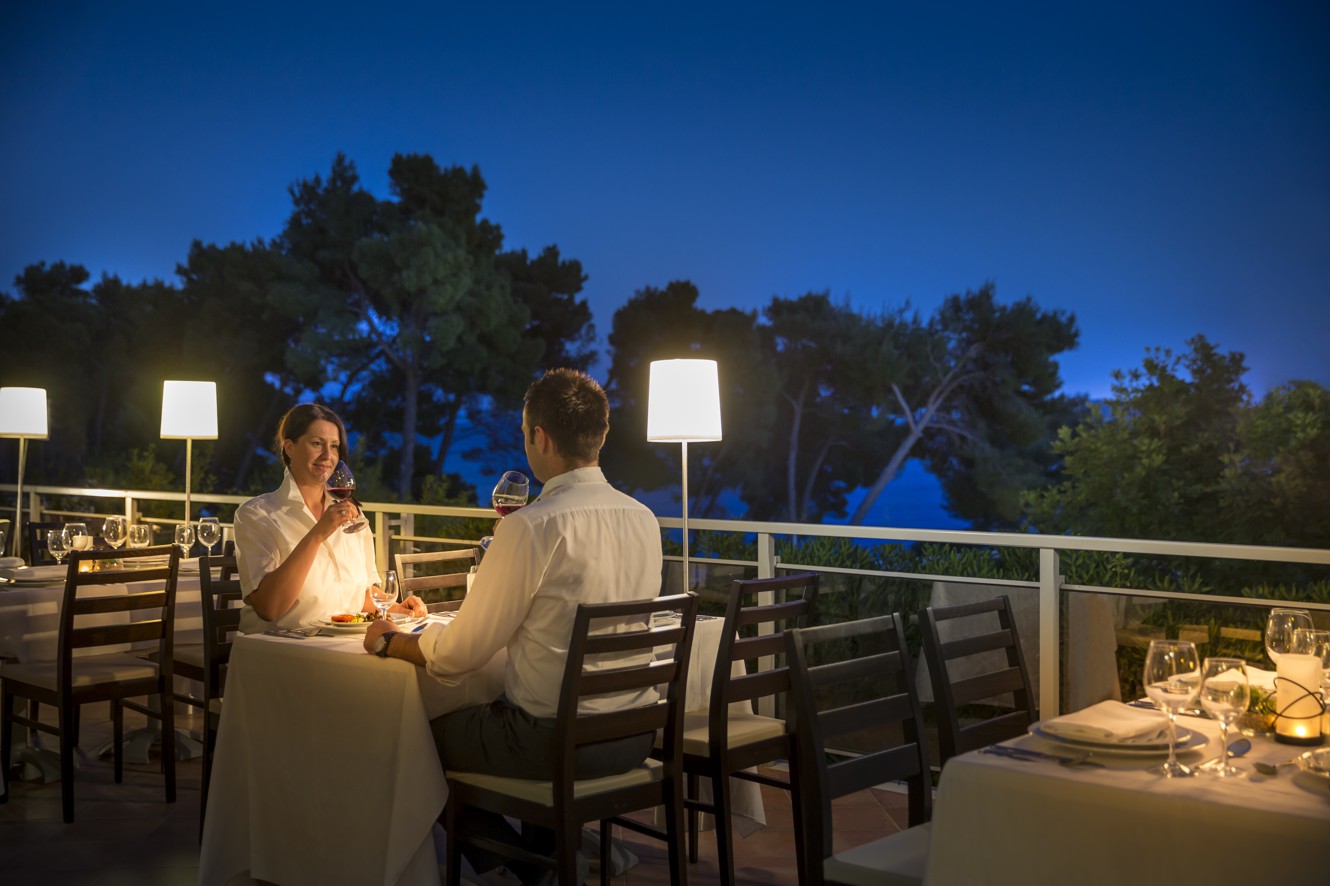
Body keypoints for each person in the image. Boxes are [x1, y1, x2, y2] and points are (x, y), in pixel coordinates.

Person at [363, 368, 663, 884]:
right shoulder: (644, 518)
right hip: (634, 733)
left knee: (404, 736)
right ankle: (560, 850)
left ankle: (527, 866)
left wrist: (392, 640)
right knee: (510, 703)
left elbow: (462, 653)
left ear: (539, 437)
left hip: (550, 743)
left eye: (525, 433)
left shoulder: (532, 525)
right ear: (602, 434)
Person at [234, 402, 426, 633]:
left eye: (334, 446)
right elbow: (269, 608)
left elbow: (360, 594)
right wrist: (317, 534)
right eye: (317, 443)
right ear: (289, 447)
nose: (328, 456)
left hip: (342, 641)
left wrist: (396, 607)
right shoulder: (255, 516)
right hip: (283, 646)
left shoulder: (353, 515)